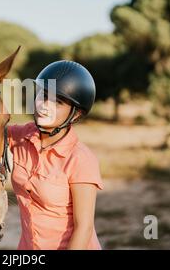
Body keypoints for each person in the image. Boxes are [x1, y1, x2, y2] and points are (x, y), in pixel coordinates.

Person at [8, 60, 103, 250]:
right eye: (43, 96)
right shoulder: (21, 136)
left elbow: (84, 228)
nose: (44, 106)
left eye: (57, 102)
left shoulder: (80, 159)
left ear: (75, 115)